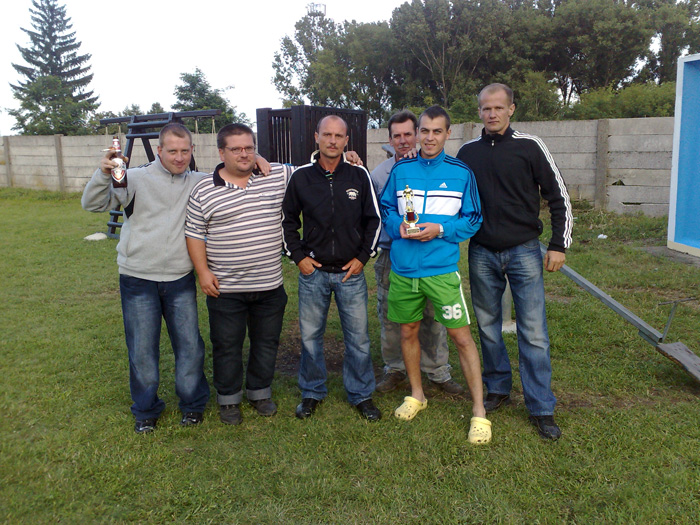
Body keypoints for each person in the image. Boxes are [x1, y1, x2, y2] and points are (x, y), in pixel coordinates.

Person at [456, 83, 573, 441]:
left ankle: (541, 406)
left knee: (533, 331)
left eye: (498, 107)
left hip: (524, 250)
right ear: (479, 111)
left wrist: (559, 244)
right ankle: (497, 388)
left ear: (511, 109)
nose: (491, 113)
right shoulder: (467, 152)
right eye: (485, 108)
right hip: (481, 251)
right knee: (488, 326)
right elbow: (450, 192)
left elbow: (559, 196)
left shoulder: (530, 146)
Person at [81, 123, 211, 434]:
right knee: (142, 349)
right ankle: (146, 410)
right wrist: (103, 173)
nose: (179, 157)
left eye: (185, 151)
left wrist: (258, 159)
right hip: (137, 278)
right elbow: (93, 204)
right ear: (159, 150)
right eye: (172, 151)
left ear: (192, 150)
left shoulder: (200, 182)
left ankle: (192, 405)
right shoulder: (134, 178)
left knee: (190, 346)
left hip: (180, 278)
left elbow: (236, 172)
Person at [380, 106, 491, 444]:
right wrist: (398, 227)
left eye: (436, 131)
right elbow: (386, 208)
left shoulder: (461, 172)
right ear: (417, 133)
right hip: (403, 270)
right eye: (424, 131)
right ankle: (417, 394)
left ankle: (479, 412)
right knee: (408, 331)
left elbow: (473, 218)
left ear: (447, 134)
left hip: (441, 271)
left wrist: (440, 229)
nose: (429, 138)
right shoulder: (401, 170)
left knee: (461, 337)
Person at [186, 123, 293, 426]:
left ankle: (260, 392)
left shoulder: (276, 175)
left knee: (266, 342)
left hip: (269, 285)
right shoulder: (203, 190)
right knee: (227, 346)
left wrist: (350, 157)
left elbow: (315, 169)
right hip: (225, 288)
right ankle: (229, 398)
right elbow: (194, 234)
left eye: (249, 148)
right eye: (236, 149)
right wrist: (203, 272)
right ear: (221, 153)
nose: (244, 154)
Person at [282, 115, 382, 421]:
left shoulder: (358, 175)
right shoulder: (301, 177)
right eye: (327, 134)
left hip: (351, 274)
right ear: (317, 137)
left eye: (339, 136)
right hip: (314, 274)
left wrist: (363, 257)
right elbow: (287, 221)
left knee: (358, 339)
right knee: (311, 338)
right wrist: (299, 257)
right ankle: (312, 391)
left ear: (346, 140)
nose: (332, 141)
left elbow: (374, 220)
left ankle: (361, 394)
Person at [371, 110, 464, 395]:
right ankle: (395, 368)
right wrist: (396, 227)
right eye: (396, 136)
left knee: (433, 315)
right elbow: (377, 213)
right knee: (392, 317)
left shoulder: (438, 167)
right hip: (392, 254)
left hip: (432, 255)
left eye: (408, 134)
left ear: (418, 134)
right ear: (389, 140)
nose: (403, 140)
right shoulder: (380, 174)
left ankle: (437, 369)